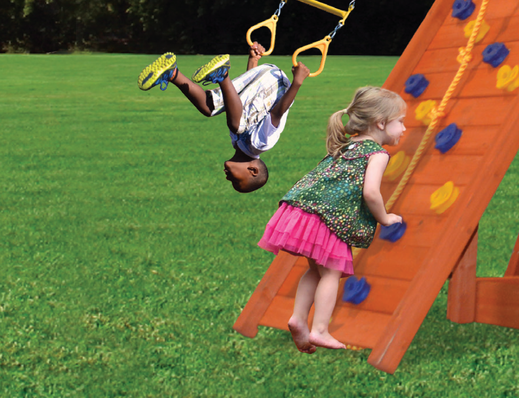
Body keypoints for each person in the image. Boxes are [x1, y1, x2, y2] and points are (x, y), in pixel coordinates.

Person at [257, 86, 407, 352]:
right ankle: (320, 330)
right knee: (331, 273)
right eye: (401, 122)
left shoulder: (348, 145)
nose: (404, 128)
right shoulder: (378, 154)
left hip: (304, 210)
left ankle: (298, 319)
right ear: (381, 123)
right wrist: (384, 218)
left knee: (315, 269)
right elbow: (371, 192)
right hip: (329, 219)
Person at [138, 42, 307, 193]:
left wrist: (253, 61)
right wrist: (297, 82)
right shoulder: (259, 144)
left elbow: (244, 102)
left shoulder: (238, 142)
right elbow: (277, 113)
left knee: (210, 107)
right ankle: (222, 74)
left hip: (262, 82)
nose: (227, 178)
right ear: (252, 170)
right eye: (235, 181)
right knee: (236, 124)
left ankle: (172, 73)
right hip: (277, 85)